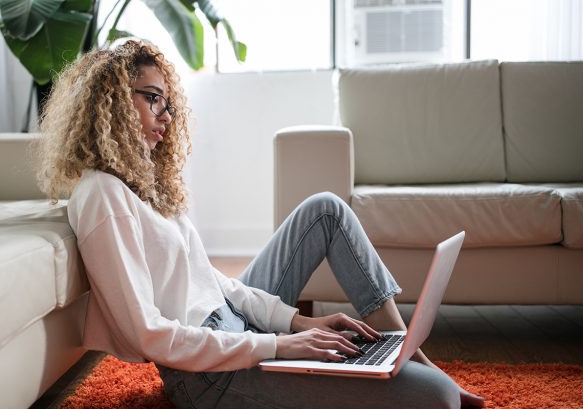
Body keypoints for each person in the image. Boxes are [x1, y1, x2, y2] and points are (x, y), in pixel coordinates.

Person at [36, 40, 485, 409]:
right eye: (152, 98)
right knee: (438, 399)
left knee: (326, 209)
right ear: (110, 103)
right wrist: (277, 346)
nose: (166, 116)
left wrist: (293, 323)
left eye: (168, 103)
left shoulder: (143, 185)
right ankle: (421, 372)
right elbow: (147, 334)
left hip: (235, 329)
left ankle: (405, 353)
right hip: (206, 377)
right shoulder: (102, 195)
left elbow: (212, 282)